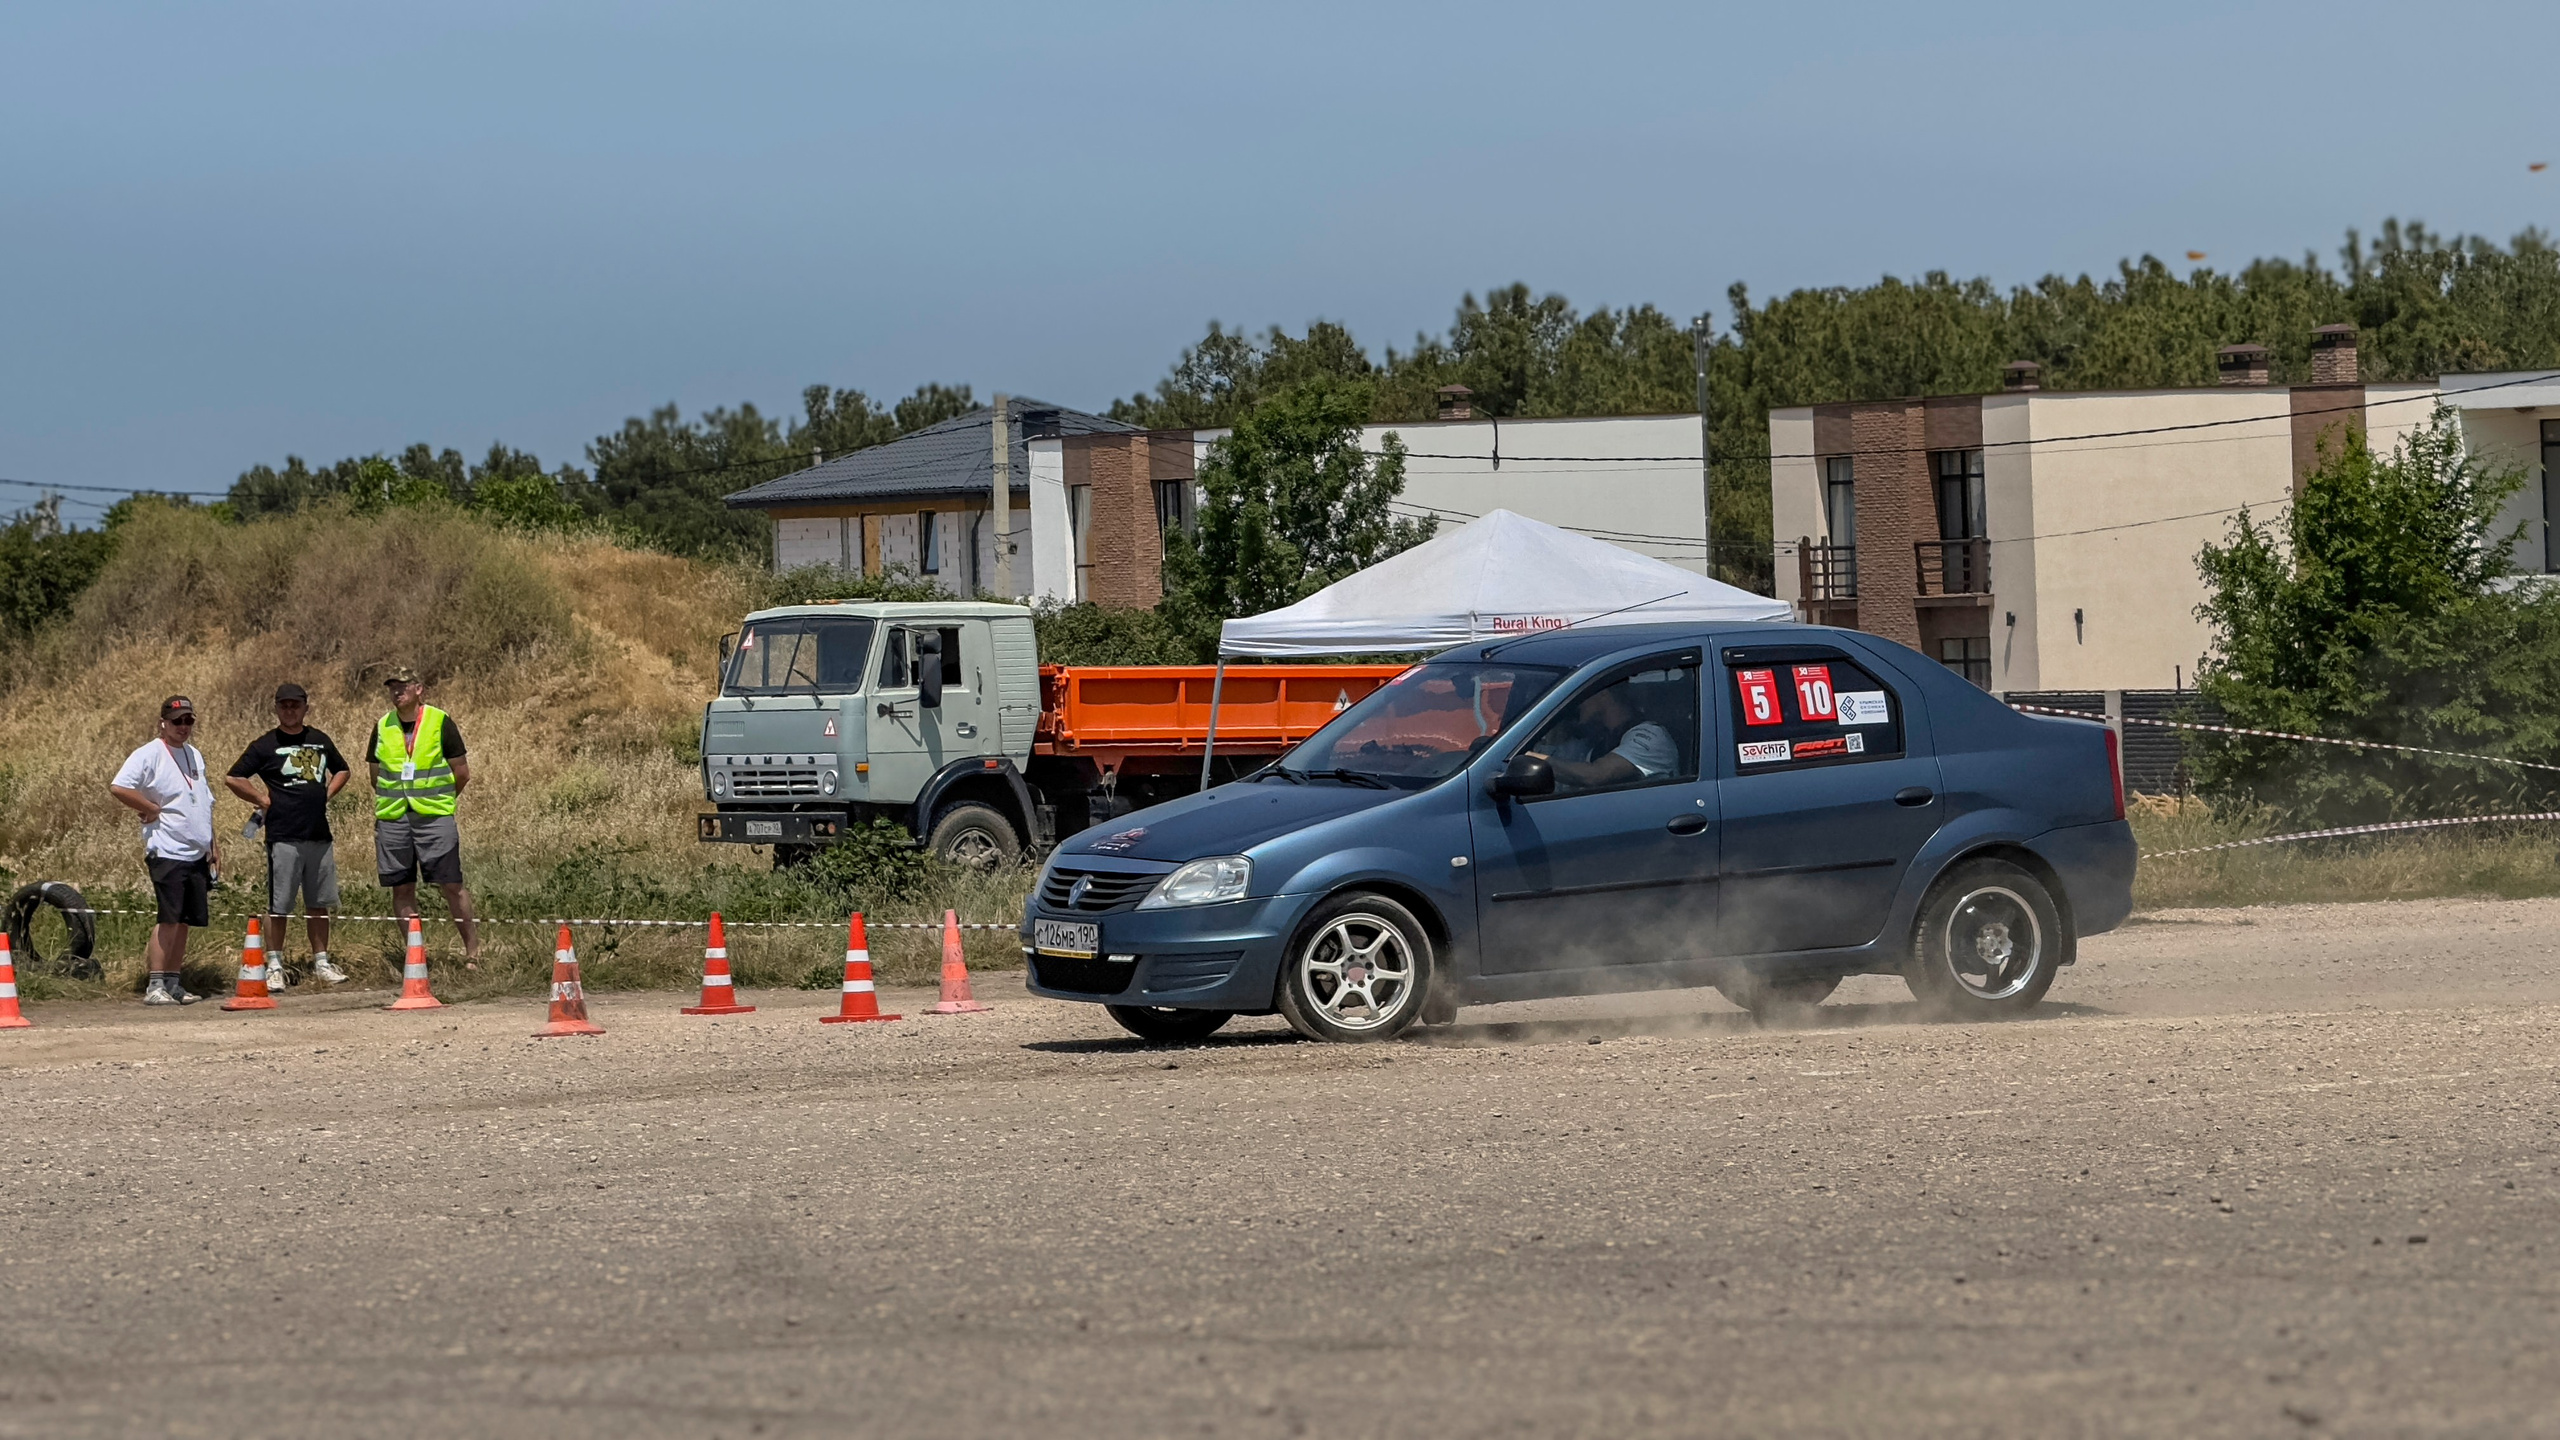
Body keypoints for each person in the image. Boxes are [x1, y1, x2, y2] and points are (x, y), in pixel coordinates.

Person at [224, 683, 352, 986]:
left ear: (306, 707)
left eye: (295, 705)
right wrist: (261, 799)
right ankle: (274, 966)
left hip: (319, 835)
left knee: (318, 903)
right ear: (276, 708)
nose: (290, 710)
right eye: (284, 705)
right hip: (283, 836)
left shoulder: (320, 740)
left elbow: (343, 770)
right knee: (279, 905)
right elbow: (233, 777)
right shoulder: (265, 744)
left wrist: (326, 795)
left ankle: (322, 962)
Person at [107, 696, 221, 1005]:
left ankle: (173, 982)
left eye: (188, 721)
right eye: (177, 721)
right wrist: (150, 808)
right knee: (169, 918)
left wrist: (213, 843)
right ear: (163, 723)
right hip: (167, 848)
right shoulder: (149, 753)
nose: (183, 726)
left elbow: (204, 801)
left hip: (196, 852)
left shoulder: (194, 755)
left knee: (184, 921)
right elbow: (120, 786)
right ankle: (155, 984)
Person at [371, 667, 480, 963]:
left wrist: (440, 800)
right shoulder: (382, 725)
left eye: (403, 685)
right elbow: (375, 775)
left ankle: (473, 953)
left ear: (419, 688)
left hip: (434, 818)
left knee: (452, 885)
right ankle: (416, 955)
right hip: (393, 819)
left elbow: (462, 773)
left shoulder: (439, 721)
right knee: (401, 888)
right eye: (392, 686)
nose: (397, 691)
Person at [1528, 683, 1678, 791]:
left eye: (1582, 695)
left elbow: (1595, 775)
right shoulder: (1600, 743)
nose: (1578, 703)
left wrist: (1528, 758)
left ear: (1603, 694)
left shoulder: (1652, 735)